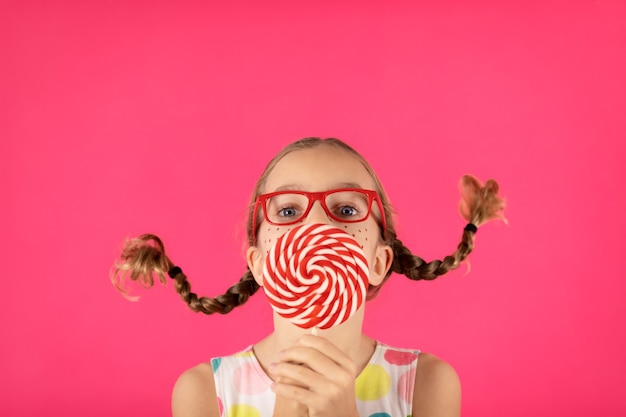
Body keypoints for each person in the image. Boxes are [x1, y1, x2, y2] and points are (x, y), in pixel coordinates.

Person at [112, 137, 505, 417]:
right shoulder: (205, 393)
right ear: (260, 263)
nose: (316, 223)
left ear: (378, 262)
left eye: (347, 210)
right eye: (286, 212)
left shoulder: (427, 385)